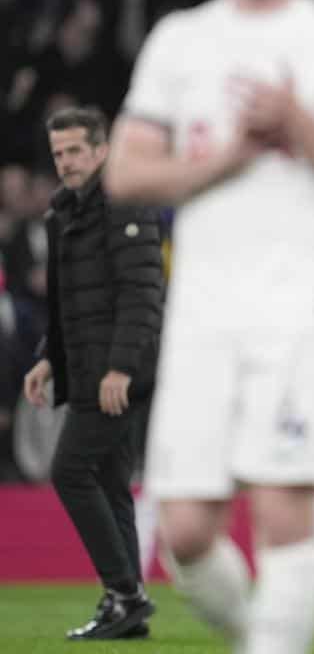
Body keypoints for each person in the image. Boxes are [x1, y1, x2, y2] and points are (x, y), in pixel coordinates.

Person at [102, 0, 314, 652]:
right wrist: (229, 157)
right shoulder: (181, 39)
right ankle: (258, 635)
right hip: (203, 302)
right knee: (183, 530)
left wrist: (298, 122)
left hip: (300, 301)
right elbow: (124, 175)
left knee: (281, 502)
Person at [22, 106, 164, 639]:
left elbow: (143, 293)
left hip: (115, 375)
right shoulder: (64, 211)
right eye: (58, 154)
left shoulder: (126, 202)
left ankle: (123, 593)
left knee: (69, 471)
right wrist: (47, 357)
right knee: (108, 480)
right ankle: (129, 603)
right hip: (84, 368)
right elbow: (67, 302)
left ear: (101, 150)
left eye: (76, 151)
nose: (66, 163)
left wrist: (121, 368)